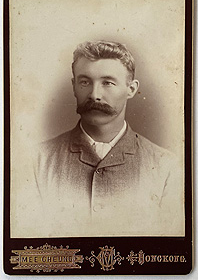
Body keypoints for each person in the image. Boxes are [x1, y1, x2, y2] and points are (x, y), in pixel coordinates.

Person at [15, 41, 184, 237]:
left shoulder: (167, 167)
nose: (95, 95)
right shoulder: (35, 161)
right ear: (74, 86)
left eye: (108, 83)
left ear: (131, 89)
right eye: (85, 82)